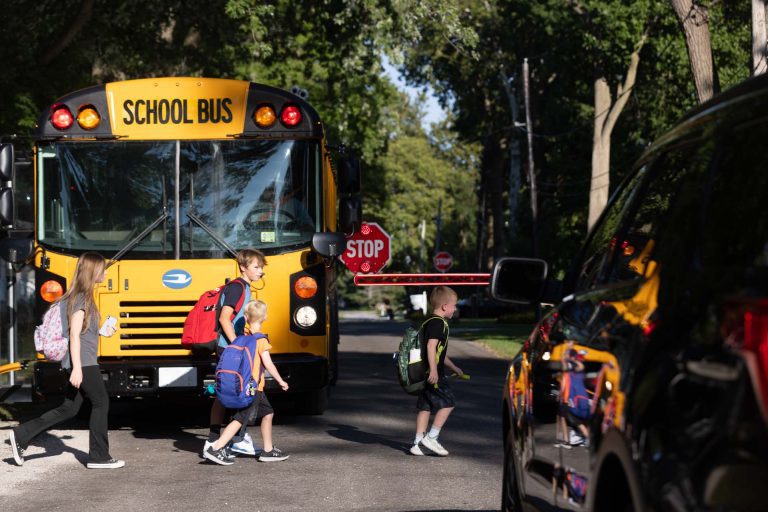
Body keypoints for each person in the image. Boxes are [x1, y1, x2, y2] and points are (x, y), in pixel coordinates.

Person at [8, 252, 124, 469]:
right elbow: (73, 336)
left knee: (69, 409)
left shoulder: (79, 296)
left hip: (79, 360)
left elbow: (79, 331)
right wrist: (77, 369)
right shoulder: (81, 297)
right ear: (93, 271)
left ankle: (21, 435)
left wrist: (101, 331)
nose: (106, 272)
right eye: (103, 268)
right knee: (101, 402)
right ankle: (99, 457)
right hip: (83, 362)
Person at [203, 300, 290, 465]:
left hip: (250, 386)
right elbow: (269, 364)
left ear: (246, 317)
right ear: (265, 317)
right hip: (253, 387)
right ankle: (216, 448)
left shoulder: (243, 337)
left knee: (268, 413)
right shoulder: (261, 340)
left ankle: (268, 450)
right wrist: (280, 381)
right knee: (240, 418)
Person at [207, 248, 267, 456]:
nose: (260, 271)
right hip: (229, 347)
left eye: (261, 267)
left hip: (230, 347)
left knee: (225, 391)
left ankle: (216, 438)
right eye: (256, 267)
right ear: (243, 267)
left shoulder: (243, 287)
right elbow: (225, 318)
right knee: (241, 390)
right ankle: (234, 439)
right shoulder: (238, 288)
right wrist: (237, 346)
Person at [410, 286, 463, 457]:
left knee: (425, 406)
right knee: (449, 403)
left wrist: (453, 367)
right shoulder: (438, 323)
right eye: (454, 305)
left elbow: (438, 352)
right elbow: (431, 346)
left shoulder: (428, 322)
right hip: (433, 374)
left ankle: (417, 443)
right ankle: (432, 437)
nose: (455, 309)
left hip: (423, 372)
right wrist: (434, 370)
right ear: (444, 306)